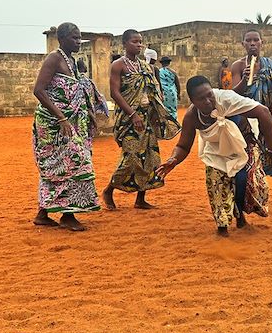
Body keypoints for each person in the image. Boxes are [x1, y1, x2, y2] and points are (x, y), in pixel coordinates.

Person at [156, 76, 272, 236]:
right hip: (216, 150)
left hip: (244, 144)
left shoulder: (226, 99)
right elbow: (183, 146)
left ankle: (240, 214)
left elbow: (263, 112)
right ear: (193, 101)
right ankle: (222, 226)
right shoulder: (192, 117)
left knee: (244, 181)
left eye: (210, 95)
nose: (208, 101)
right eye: (201, 99)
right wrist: (173, 160)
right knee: (215, 182)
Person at [32, 22, 108, 231]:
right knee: (72, 164)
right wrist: (61, 118)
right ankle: (67, 215)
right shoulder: (54, 59)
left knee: (64, 166)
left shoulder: (72, 61)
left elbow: (76, 91)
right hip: (55, 125)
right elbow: (39, 90)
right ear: (62, 38)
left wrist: (90, 114)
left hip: (72, 123)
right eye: (74, 37)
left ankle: (43, 213)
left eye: (80, 37)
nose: (78, 41)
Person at [102, 30, 180, 211]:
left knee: (150, 158)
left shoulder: (146, 67)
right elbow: (115, 93)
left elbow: (153, 92)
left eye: (140, 42)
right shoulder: (118, 65)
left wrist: (154, 114)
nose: (139, 45)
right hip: (129, 118)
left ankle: (140, 199)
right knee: (130, 158)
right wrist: (132, 114)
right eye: (135, 42)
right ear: (124, 43)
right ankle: (109, 190)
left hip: (146, 118)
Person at [231, 29, 272, 115]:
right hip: (247, 113)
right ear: (243, 44)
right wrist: (244, 79)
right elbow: (235, 94)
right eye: (248, 40)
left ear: (262, 42)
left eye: (256, 40)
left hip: (267, 112)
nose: (252, 43)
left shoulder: (270, 64)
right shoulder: (238, 65)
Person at [158, 56, 180, 120]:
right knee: (173, 110)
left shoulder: (159, 72)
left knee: (165, 110)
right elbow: (177, 84)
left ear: (162, 63)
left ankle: (166, 126)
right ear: (169, 63)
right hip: (172, 93)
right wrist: (178, 94)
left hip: (163, 94)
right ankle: (175, 125)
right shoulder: (173, 72)